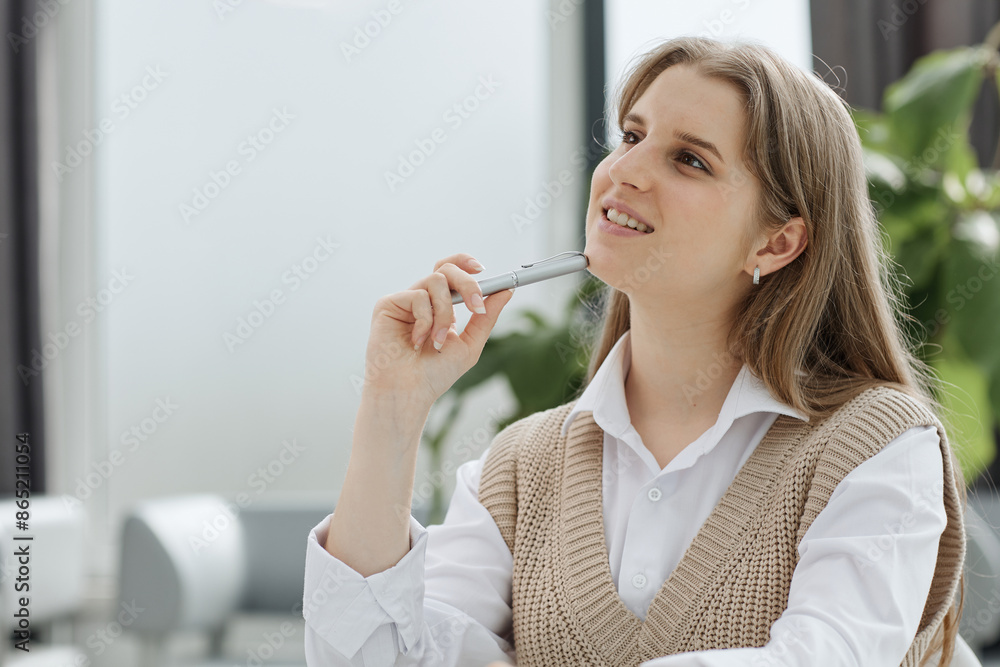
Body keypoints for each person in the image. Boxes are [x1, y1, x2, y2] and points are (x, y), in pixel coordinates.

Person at [302, 36, 966, 666]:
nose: (624, 171)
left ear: (776, 243)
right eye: (632, 135)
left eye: (690, 160)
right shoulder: (519, 469)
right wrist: (393, 404)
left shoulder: (877, 446)